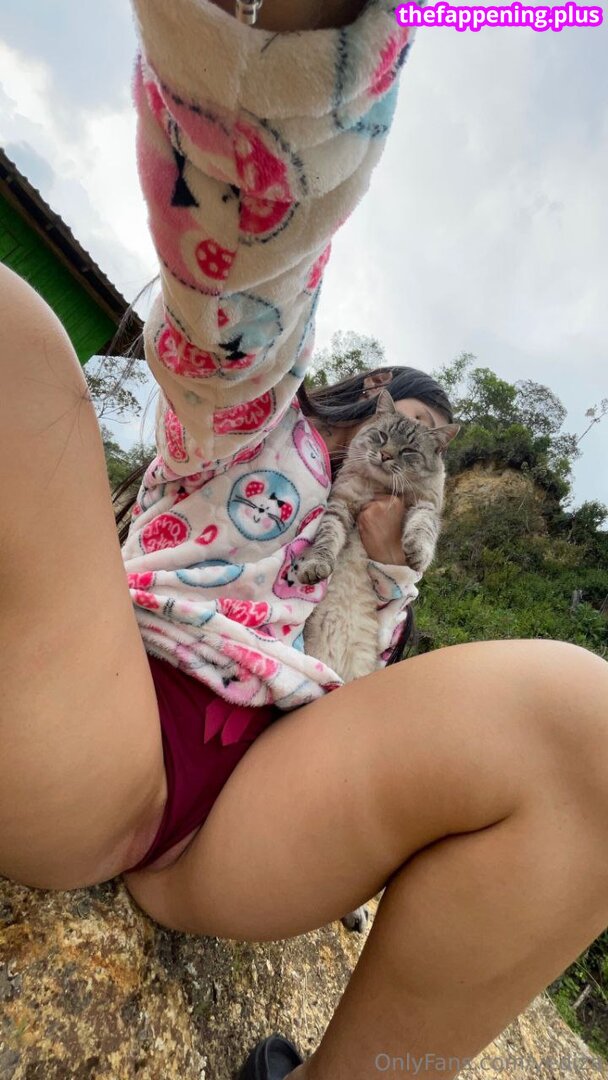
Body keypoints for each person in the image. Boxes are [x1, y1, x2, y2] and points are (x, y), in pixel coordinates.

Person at [0, 3, 607, 1080]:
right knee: (16, 337)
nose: (408, 457)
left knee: (585, 720)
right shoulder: (249, 422)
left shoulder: (391, 582)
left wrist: (388, 573)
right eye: (399, 424)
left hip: (259, 818)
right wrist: (282, 50)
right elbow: (244, 292)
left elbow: (385, 726)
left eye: (430, 451)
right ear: (354, 400)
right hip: (117, 725)